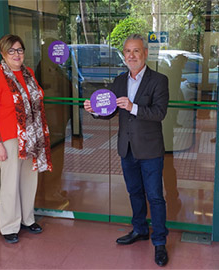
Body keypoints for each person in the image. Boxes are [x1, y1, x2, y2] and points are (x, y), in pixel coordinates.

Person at [84, 34, 169, 267]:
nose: (131, 55)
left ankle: (159, 242)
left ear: (145, 53)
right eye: (127, 51)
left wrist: (133, 107)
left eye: (136, 51)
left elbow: (159, 113)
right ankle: (140, 229)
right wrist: (94, 110)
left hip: (150, 150)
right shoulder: (119, 81)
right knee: (134, 193)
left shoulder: (159, 80)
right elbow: (110, 111)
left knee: (155, 197)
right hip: (127, 148)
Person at [0, 34, 52, 244]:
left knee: (29, 180)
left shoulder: (29, 73)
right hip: (9, 139)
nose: (16, 54)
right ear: (3, 53)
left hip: (31, 137)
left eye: (20, 50)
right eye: (11, 51)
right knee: (10, 183)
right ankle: (9, 226)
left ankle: (27, 219)